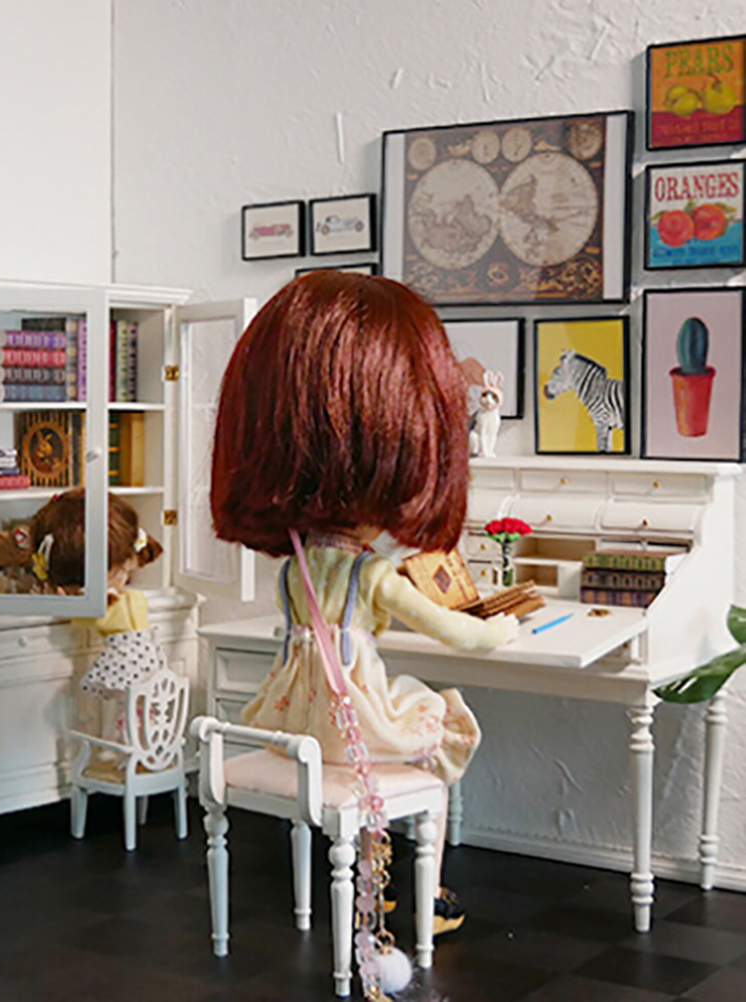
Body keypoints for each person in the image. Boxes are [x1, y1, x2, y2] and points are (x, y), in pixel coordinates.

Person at [210, 271, 518, 939]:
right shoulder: (371, 572)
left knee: (392, 741)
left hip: (296, 716)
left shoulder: (294, 569)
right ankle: (426, 886)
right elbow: (455, 634)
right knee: (442, 722)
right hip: (355, 718)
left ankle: (375, 880)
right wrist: (504, 630)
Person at [30, 489, 166, 754]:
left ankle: (129, 746)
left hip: (125, 659)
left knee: (125, 706)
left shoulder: (108, 604)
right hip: (148, 657)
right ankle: (136, 746)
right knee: (134, 705)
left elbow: (84, 617)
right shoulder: (133, 599)